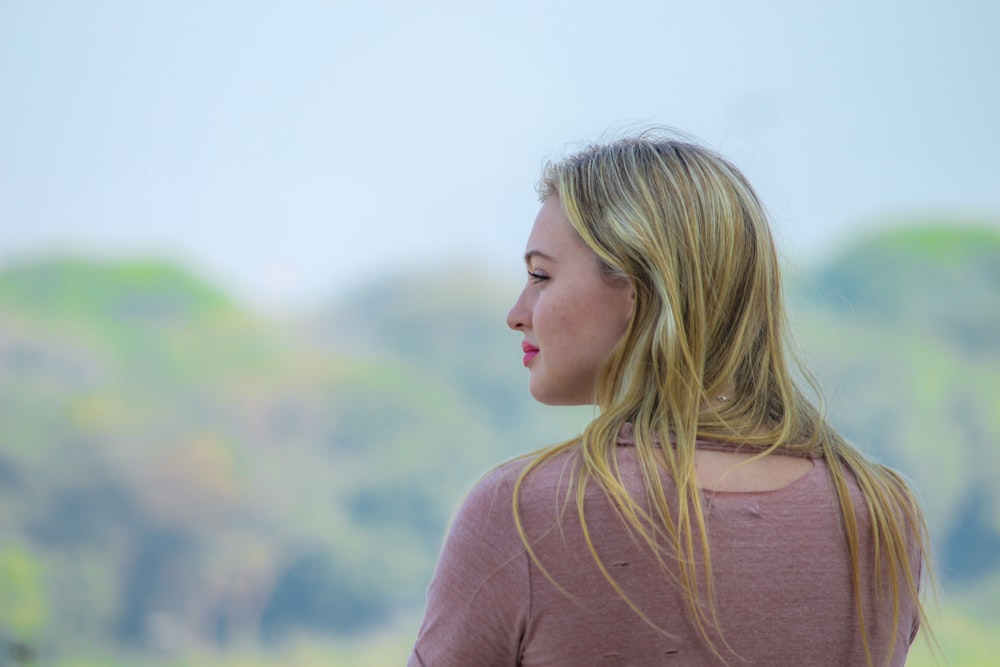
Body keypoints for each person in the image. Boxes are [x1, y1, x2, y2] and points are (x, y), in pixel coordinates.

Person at [408, 131, 931, 666]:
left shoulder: (523, 512)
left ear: (640, 289)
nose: (517, 313)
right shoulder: (878, 513)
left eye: (541, 275)